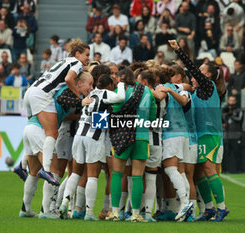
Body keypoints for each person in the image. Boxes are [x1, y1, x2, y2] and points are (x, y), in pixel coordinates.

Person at [168, 39, 229, 221]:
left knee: (209, 169)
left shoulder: (208, 87)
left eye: (201, 71)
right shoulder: (198, 92)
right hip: (200, 135)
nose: (195, 75)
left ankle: (222, 207)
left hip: (209, 133)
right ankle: (209, 208)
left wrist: (179, 50)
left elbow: (191, 69)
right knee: (200, 174)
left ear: (208, 75)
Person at [23, 39, 90, 186]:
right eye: (86, 55)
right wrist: (78, 95)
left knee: (33, 126)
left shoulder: (64, 60)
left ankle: (22, 166)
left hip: (30, 91)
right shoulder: (76, 63)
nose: (88, 59)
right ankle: (46, 169)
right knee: (52, 133)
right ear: (77, 54)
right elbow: (68, 79)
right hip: (42, 94)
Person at [59, 74, 125, 221]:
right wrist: (120, 84)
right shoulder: (106, 93)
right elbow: (121, 97)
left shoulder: (91, 93)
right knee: (92, 177)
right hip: (93, 137)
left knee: (75, 173)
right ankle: (89, 213)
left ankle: (64, 203)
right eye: (112, 85)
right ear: (109, 85)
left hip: (79, 135)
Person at [106, 67, 156, 222]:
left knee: (117, 173)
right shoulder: (147, 91)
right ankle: (135, 214)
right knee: (137, 177)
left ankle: (115, 212)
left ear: (122, 78)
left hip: (123, 136)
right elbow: (153, 116)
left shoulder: (120, 92)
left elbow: (114, 110)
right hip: (141, 137)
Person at [222, 95, 244, 173]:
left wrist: (231, 115)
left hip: (236, 135)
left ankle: (239, 169)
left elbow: (239, 119)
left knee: (237, 153)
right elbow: (221, 119)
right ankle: (224, 169)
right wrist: (223, 123)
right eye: (230, 100)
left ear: (235, 102)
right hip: (226, 135)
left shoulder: (239, 110)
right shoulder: (224, 110)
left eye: (232, 101)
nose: (231, 102)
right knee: (225, 154)